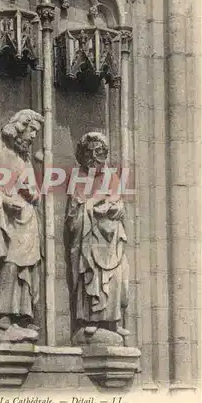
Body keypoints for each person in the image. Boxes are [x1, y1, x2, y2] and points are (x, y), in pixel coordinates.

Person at [0, 109, 44, 342]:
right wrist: (5, 201)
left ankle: (21, 315)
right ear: (20, 126)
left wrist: (31, 193)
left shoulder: (24, 157)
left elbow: (35, 193)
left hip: (26, 221)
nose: (34, 136)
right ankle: (1, 316)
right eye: (32, 130)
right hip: (5, 220)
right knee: (9, 264)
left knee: (26, 269)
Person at [64, 132, 129, 345]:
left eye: (99, 153)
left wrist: (117, 208)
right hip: (89, 238)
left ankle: (111, 321)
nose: (95, 158)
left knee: (114, 277)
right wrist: (91, 205)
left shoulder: (112, 177)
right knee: (91, 274)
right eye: (90, 153)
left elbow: (118, 203)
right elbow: (74, 212)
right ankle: (90, 318)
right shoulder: (78, 178)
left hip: (110, 238)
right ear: (83, 155)